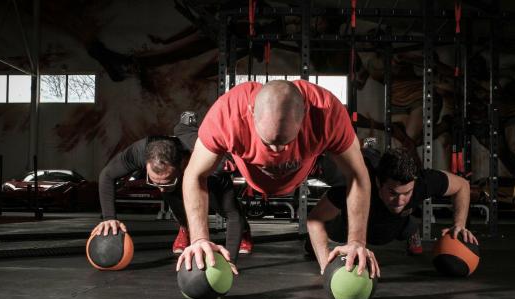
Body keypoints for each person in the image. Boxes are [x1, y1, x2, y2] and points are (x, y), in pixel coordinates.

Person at [177, 80, 375, 278]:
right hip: (243, 167)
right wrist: (199, 239)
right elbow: (194, 174)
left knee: (358, 163)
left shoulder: (328, 111)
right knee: (202, 157)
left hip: (307, 167)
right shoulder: (228, 112)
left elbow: (358, 175)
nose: (277, 151)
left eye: (285, 143)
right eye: (268, 143)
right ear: (251, 111)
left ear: (304, 114)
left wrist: (357, 241)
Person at [92, 112, 251, 261]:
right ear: (146, 162)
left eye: (166, 180)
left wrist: (230, 260)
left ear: (182, 165)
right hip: (178, 168)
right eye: (154, 181)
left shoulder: (210, 162)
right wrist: (109, 218)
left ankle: (244, 232)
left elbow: (232, 215)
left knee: (223, 208)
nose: (159, 189)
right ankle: (185, 227)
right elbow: (106, 175)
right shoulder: (140, 151)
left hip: (204, 170)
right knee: (170, 192)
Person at [306, 146, 479, 275]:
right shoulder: (355, 187)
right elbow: (315, 220)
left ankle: (412, 232)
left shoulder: (422, 183)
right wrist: (326, 267)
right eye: (393, 193)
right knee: (318, 241)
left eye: (407, 193)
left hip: (396, 226)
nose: (401, 199)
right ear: (378, 183)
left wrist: (459, 224)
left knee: (404, 220)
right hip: (346, 228)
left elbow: (462, 185)